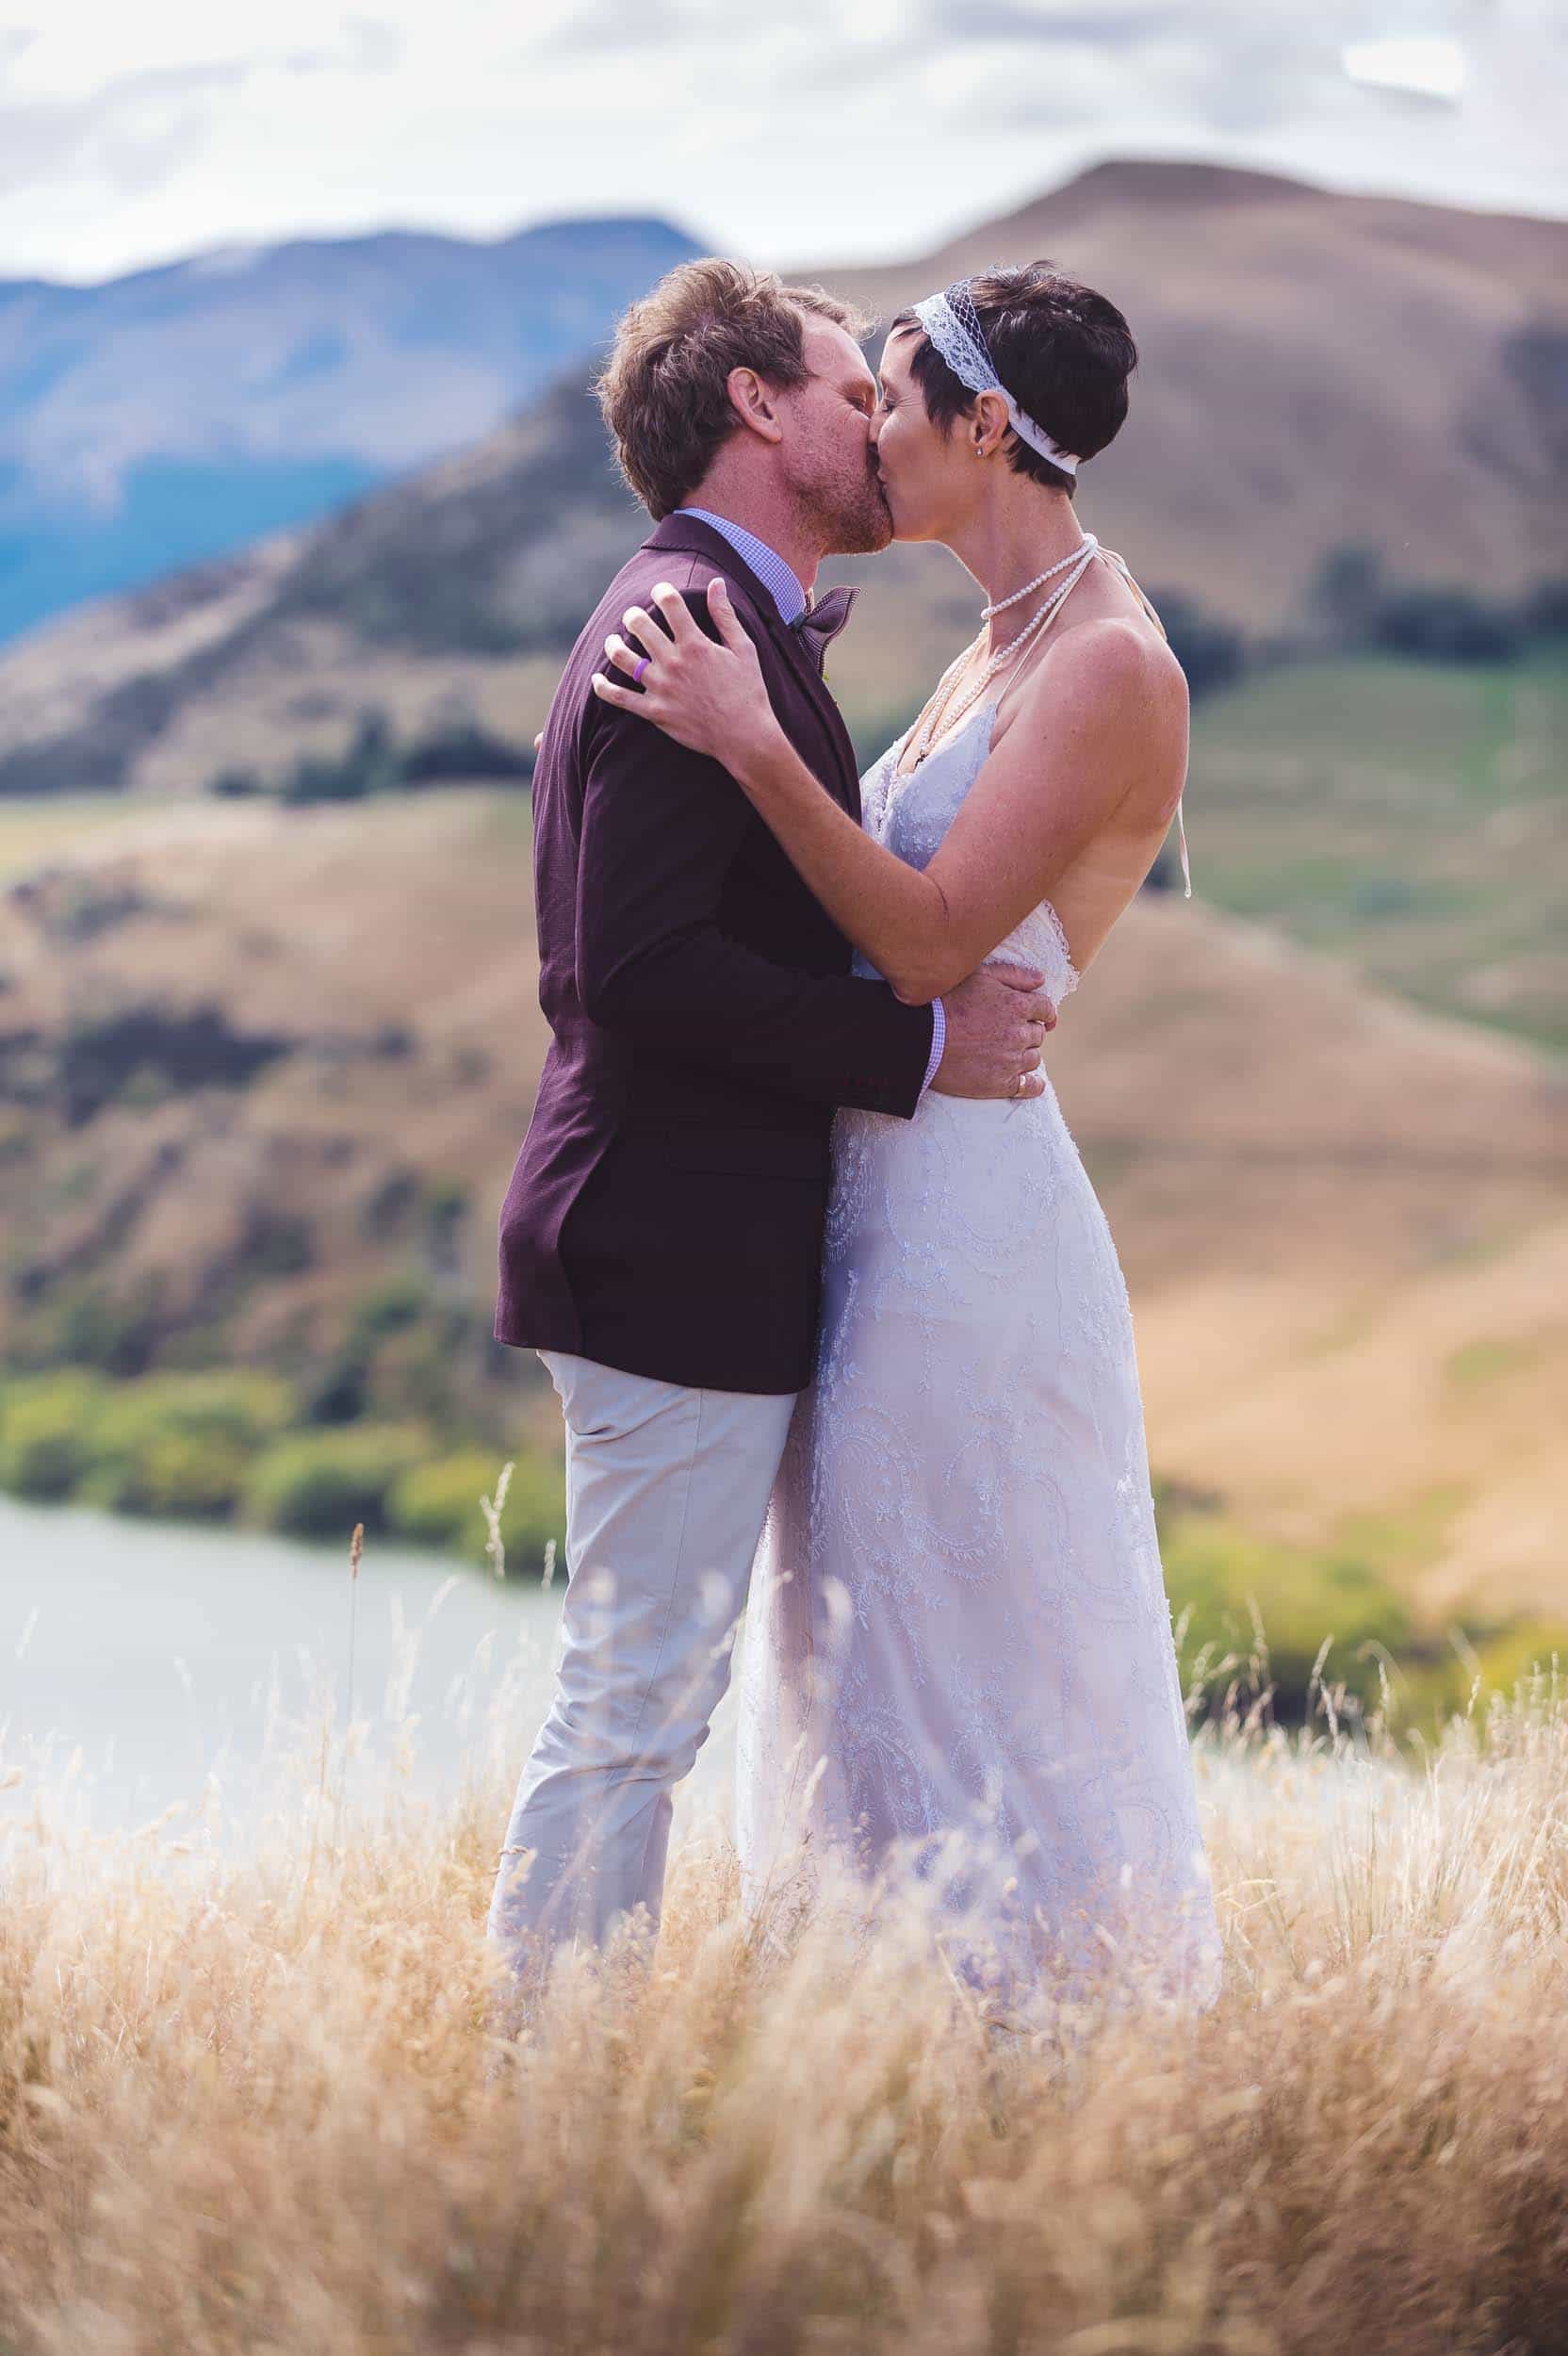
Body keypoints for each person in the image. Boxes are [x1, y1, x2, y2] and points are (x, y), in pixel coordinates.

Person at [590, 265, 1222, 2020]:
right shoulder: (994, 644)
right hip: (877, 1197)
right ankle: (874, 2051)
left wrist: (747, 740)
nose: (867, 430)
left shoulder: (1106, 664)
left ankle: (1041, 2056)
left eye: (890, 398)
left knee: (972, 1666)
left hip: (969, 1233)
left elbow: (937, 943)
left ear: (987, 428)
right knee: (849, 1650)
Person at [487, 260, 1057, 2004]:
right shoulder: (681, 624)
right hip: (664, 1236)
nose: (875, 427)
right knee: (637, 1694)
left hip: (692, 1235)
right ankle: (546, 2107)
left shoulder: (724, 613)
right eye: (840, 388)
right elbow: (638, 969)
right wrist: (919, 1040)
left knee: (652, 1686)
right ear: (753, 406)